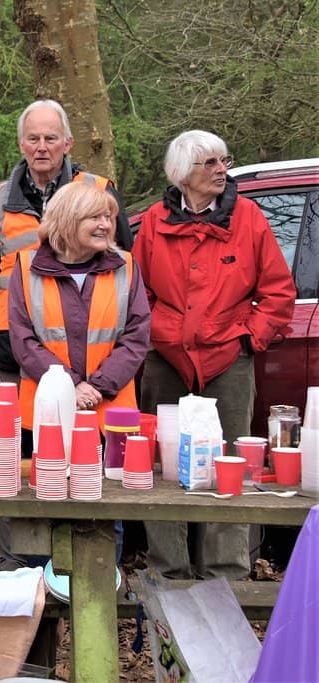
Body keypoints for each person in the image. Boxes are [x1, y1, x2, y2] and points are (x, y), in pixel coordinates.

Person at [0, 99, 133, 568]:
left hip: (98, 359)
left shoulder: (98, 189)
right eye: (33, 138)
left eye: (51, 138)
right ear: (21, 143)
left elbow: (121, 263)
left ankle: (84, 570)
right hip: (21, 347)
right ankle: (27, 571)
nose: (41, 146)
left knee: (91, 475)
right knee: (27, 464)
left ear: (67, 143)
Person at [133, 130, 295, 579]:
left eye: (224, 161)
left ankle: (226, 574)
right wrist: (155, 337)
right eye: (210, 163)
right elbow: (137, 294)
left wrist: (248, 339)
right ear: (182, 174)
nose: (222, 170)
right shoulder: (152, 222)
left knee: (229, 468)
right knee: (163, 466)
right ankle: (169, 571)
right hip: (166, 359)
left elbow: (279, 293)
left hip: (228, 359)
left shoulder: (249, 218)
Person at [9, 181, 150, 445]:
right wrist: (69, 386)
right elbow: (23, 340)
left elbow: (136, 337)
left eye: (108, 217)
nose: (105, 225)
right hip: (47, 415)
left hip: (111, 414)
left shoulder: (126, 267)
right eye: (95, 217)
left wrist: (97, 387)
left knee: (113, 487)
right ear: (66, 220)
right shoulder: (26, 268)